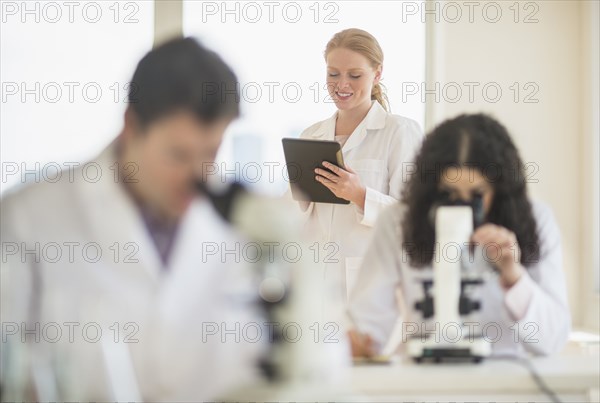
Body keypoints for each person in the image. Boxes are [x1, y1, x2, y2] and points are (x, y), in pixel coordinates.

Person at [0, 38, 263, 401]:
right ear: (130, 126)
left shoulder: (246, 224)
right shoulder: (29, 216)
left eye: (211, 152)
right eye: (178, 154)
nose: (199, 175)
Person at [348, 113, 571, 358]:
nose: (462, 207)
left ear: (500, 188)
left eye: (477, 195)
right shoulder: (397, 222)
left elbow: (552, 340)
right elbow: (367, 323)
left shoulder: (536, 220)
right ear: (430, 188)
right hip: (426, 383)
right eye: (448, 193)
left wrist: (514, 276)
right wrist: (358, 342)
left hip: (505, 384)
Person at [295, 28, 423, 305]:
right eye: (333, 74)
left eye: (354, 75)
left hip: (370, 287)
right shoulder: (311, 135)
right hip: (316, 286)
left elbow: (415, 219)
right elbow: (297, 218)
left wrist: (360, 195)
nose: (342, 84)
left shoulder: (399, 131)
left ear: (377, 74)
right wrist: (298, 199)